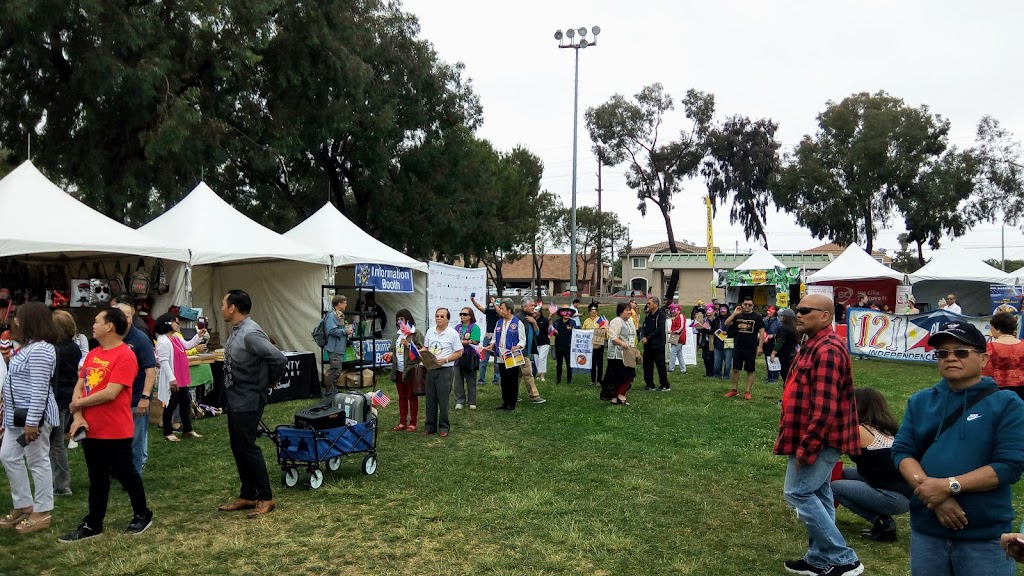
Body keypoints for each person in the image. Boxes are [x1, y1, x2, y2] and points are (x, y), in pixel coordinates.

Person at [892, 321, 1024, 576]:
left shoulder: (1007, 404)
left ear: (984, 359)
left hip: (984, 538)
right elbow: (902, 451)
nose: (950, 358)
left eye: (961, 352)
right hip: (927, 532)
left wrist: (948, 486)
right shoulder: (920, 401)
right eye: (943, 353)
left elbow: (1009, 466)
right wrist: (934, 495)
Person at [773, 293, 863, 576]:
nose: (798, 314)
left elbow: (824, 407)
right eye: (798, 309)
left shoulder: (828, 349)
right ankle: (819, 559)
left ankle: (843, 558)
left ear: (825, 316)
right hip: (809, 434)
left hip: (820, 438)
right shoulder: (812, 343)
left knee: (797, 492)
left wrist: (808, 447)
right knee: (819, 494)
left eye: (805, 310)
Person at [58, 307, 154, 542]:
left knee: (125, 473)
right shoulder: (93, 354)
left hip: (115, 428)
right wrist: (78, 415)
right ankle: (93, 523)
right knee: (97, 477)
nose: (93, 325)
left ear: (110, 326)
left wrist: (77, 404)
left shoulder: (125, 355)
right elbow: (80, 385)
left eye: (97, 321)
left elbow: (111, 392)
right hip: (91, 428)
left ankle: (142, 513)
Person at [217, 289, 286, 518]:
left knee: (247, 446)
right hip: (236, 398)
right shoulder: (239, 330)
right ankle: (248, 494)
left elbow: (278, 358)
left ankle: (266, 497)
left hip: (249, 398)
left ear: (232, 308)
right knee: (238, 446)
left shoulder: (250, 333)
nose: (221, 307)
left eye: (223, 304)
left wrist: (269, 381)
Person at [0, 302, 58, 534]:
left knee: (37, 460)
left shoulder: (41, 349)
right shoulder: (27, 347)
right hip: (16, 417)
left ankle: (42, 511)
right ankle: (24, 504)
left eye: (18, 317)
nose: (15, 320)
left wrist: (32, 422)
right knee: (8, 456)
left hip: (33, 417)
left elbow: (40, 389)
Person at [831, 387, 911, 542]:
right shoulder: (887, 429)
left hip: (893, 496)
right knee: (845, 474)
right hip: (903, 492)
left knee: (835, 487)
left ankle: (882, 522)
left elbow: (832, 449)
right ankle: (883, 521)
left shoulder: (859, 431)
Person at [112, 302, 157, 476]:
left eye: (128, 316)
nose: (125, 319)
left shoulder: (140, 339)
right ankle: (120, 470)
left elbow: (150, 370)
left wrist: (145, 397)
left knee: (136, 439)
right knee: (118, 438)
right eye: (121, 316)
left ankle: (135, 474)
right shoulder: (112, 338)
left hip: (136, 398)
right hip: (115, 398)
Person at [152, 314, 205, 442]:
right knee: (170, 404)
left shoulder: (176, 337)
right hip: (174, 378)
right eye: (174, 322)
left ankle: (188, 429)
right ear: (167, 324)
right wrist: (172, 379)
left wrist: (198, 336)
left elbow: (187, 345)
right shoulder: (163, 341)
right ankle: (167, 431)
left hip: (181, 377)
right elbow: (164, 361)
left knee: (185, 402)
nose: (177, 324)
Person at [49, 309, 83, 497]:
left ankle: (61, 484)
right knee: (55, 442)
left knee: (56, 443)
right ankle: (56, 481)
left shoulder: (56, 350)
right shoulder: (74, 347)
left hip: (58, 398)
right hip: (68, 395)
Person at [420, 308, 462, 437]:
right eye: (437, 316)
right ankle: (430, 426)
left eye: (442, 316)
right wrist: (419, 352)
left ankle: (444, 427)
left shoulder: (452, 333)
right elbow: (426, 347)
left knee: (443, 400)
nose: (438, 318)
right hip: (431, 368)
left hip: (445, 370)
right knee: (430, 398)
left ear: (447, 319)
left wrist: (446, 359)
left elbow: (459, 352)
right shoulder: (430, 331)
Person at [724, 296, 765, 400]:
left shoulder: (757, 317)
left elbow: (762, 331)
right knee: (735, 369)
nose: (747, 306)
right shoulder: (738, 316)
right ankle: (734, 389)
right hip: (738, 346)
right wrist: (734, 313)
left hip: (751, 347)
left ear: (753, 306)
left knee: (750, 370)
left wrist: (760, 347)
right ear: (742, 304)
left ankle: (747, 391)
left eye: (749, 305)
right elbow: (726, 323)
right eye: (745, 304)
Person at [389, 309, 423, 431]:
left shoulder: (415, 333)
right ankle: (402, 421)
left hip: (410, 369)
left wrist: (408, 345)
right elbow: (392, 349)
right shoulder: (397, 334)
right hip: (398, 369)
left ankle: (413, 422)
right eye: (397, 319)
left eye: (401, 319)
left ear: (407, 320)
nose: (399, 322)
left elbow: (421, 350)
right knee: (402, 396)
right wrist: (388, 355)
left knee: (412, 396)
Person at [982, 311, 1024, 401]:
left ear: (998, 329)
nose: (991, 330)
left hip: (998, 390)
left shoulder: (990, 347)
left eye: (992, 327)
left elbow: (986, 373)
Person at [491, 299, 525, 411]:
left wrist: (518, 346)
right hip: (501, 355)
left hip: (512, 356)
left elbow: (522, 340)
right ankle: (505, 401)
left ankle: (512, 402)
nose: (500, 311)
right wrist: (492, 344)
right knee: (504, 379)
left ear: (509, 310)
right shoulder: (499, 322)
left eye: (503, 309)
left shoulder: (517, 323)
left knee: (512, 379)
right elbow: (495, 337)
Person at [602, 302, 638, 406]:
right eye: (626, 310)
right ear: (620, 312)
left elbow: (632, 336)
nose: (629, 312)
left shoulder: (630, 321)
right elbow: (613, 337)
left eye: (629, 310)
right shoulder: (617, 321)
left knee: (629, 375)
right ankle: (619, 396)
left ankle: (617, 396)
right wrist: (622, 343)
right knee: (619, 376)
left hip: (628, 352)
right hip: (617, 354)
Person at [515, 297, 546, 404]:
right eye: (531, 305)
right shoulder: (519, 318)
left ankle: (513, 394)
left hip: (527, 351)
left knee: (518, 374)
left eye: (534, 305)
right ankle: (534, 396)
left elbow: (537, 333)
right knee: (528, 374)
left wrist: (534, 323)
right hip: (521, 351)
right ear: (524, 307)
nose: (534, 307)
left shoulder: (531, 318)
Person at [324, 295, 354, 396]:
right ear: (338, 304)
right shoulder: (332, 316)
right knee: (335, 371)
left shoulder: (338, 315)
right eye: (344, 303)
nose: (346, 305)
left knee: (337, 371)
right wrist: (345, 331)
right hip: (334, 348)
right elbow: (331, 330)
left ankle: (334, 391)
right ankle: (329, 393)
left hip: (338, 348)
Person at [639, 297, 670, 391]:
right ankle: (649, 384)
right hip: (648, 345)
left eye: (649, 303)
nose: (647, 305)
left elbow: (659, 329)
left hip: (657, 344)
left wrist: (648, 338)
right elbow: (644, 327)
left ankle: (665, 385)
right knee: (647, 365)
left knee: (660, 365)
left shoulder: (660, 315)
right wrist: (643, 336)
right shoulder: (648, 315)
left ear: (656, 304)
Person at [453, 306, 481, 410]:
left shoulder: (474, 327)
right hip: (457, 357)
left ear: (470, 316)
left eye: (465, 314)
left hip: (470, 356)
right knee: (458, 380)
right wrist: (465, 342)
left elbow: (475, 341)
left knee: (471, 380)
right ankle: (459, 401)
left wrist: (462, 342)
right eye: (461, 314)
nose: (462, 316)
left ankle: (472, 401)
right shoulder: (457, 327)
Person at [470, 295, 501, 386]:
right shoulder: (490, 311)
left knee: (497, 361)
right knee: (483, 360)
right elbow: (480, 307)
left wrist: (494, 303)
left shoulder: (501, 314)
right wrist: (473, 300)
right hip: (487, 337)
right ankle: (481, 380)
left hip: (497, 337)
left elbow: (499, 311)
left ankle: (496, 380)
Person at [770, 309, 799, 385]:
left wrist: (773, 353)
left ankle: (787, 390)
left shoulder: (783, 328)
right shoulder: (795, 328)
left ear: (785, 317)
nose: (780, 317)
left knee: (785, 376)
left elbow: (780, 342)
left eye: (781, 316)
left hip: (784, 355)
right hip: (793, 353)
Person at [582, 302, 606, 384]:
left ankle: (599, 380)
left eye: (595, 309)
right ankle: (592, 380)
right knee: (592, 363)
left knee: (599, 363)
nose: (593, 311)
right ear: (589, 311)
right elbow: (583, 331)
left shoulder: (600, 320)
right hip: (589, 345)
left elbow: (604, 330)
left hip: (599, 345)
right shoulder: (586, 321)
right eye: (591, 310)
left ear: (597, 311)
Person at [551, 307, 575, 384]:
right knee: (559, 364)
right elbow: (552, 332)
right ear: (561, 313)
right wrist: (554, 332)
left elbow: (576, 333)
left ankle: (569, 380)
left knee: (569, 364)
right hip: (559, 345)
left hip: (568, 346)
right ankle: (558, 380)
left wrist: (571, 330)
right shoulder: (557, 322)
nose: (566, 314)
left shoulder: (572, 322)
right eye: (564, 312)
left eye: (568, 312)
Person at [710, 304, 733, 380]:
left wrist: (728, 333)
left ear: (727, 310)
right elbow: (711, 327)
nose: (722, 311)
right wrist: (717, 331)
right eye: (721, 309)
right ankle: (717, 374)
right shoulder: (717, 319)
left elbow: (735, 330)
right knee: (717, 360)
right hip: (718, 342)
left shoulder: (731, 319)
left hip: (728, 342)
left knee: (728, 361)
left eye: (724, 309)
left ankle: (726, 375)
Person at [667, 304, 687, 375]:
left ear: (679, 310)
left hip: (679, 337)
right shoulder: (677, 317)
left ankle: (671, 368)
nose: (673, 311)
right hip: (677, 336)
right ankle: (683, 369)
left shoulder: (680, 316)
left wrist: (673, 331)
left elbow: (681, 327)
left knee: (673, 352)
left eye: (675, 310)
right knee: (679, 354)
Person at [763, 306, 780, 382]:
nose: (768, 312)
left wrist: (773, 335)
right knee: (767, 359)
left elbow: (780, 334)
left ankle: (775, 377)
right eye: (768, 311)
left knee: (774, 359)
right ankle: (769, 376)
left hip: (774, 343)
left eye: (771, 311)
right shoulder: (765, 321)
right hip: (767, 343)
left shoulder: (779, 322)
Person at [533, 306, 551, 382]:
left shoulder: (544, 320)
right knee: (536, 359)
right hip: (536, 343)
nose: (534, 313)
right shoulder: (532, 320)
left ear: (539, 312)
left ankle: (542, 375)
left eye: (536, 311)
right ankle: (539, 374)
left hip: (544, 342)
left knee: (542, 358)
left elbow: (542, 329)